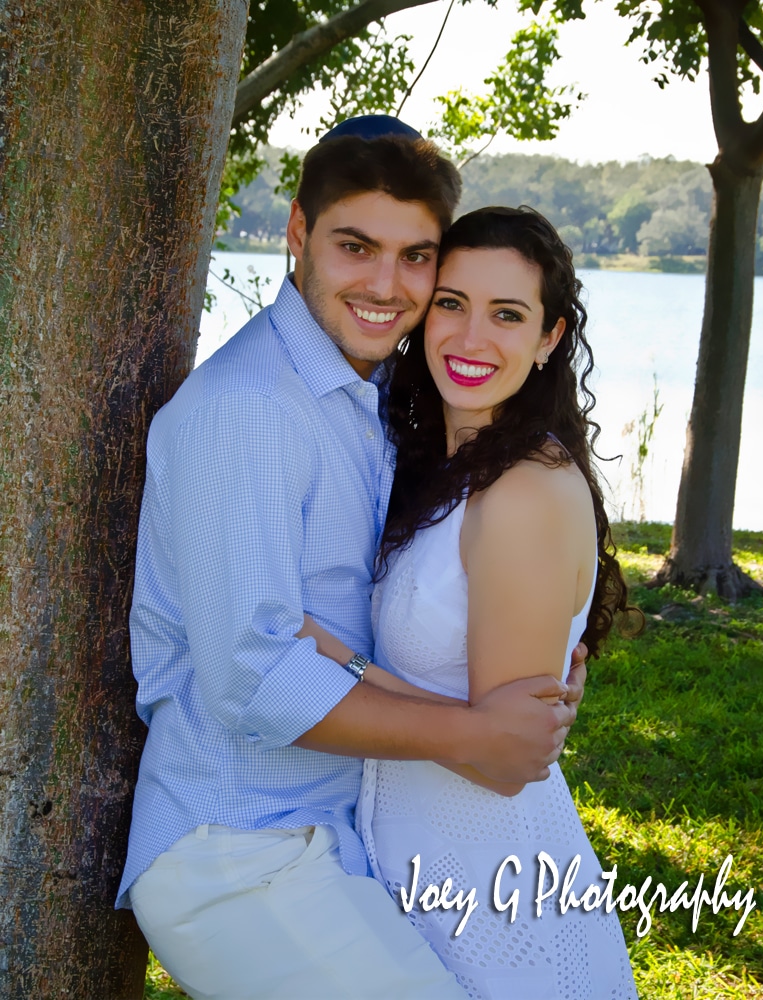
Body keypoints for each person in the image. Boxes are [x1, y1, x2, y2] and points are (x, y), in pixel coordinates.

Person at [117, 117, 587, 999]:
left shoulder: (360, 397)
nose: (385, 284)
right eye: (355, 246)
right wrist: (481, 734)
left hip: (332, 838)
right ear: (298, 233)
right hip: (239, 849)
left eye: (416, 258)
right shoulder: (251, 408)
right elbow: (253, 679)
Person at [302, 206, 639, 998]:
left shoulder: (525, 491)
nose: (470, 336)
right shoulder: (442, 465)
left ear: (550, 337)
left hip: (497, 900)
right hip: (417, 879)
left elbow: (502, 760)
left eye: (507, 314)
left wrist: (331, 658)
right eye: (452, 303)